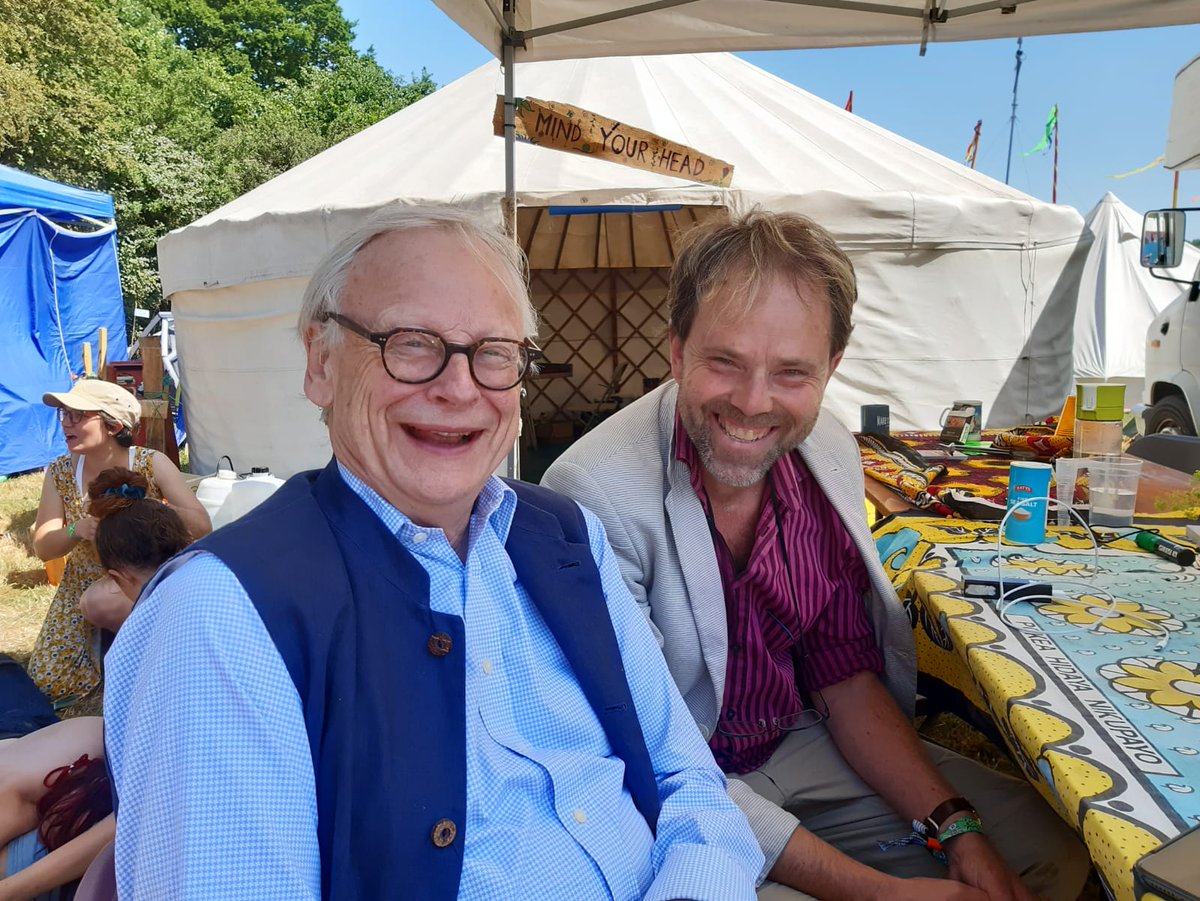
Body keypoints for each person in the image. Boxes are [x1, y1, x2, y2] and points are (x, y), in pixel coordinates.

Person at [103, 205, 764, 900]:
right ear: (321, 362)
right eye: (411, 342)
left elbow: (688, 780)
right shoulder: (221, 613)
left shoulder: (567, 535)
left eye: (494, 353)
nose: (459, 387)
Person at [543, 210, 1090, 901]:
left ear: (831, 368)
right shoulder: (591, 494)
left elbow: (845, 677)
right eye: (725, 362)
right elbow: (653, 757)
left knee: (1049, 858)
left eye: (792, 372)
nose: (752, 402)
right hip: (680, 793)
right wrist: (879, 892)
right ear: (676, 350)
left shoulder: (823, 451)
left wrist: (957, 828)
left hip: (799, 740)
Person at [1, 469, 193, 901]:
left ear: (117, 576)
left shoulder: (161, 655)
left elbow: (137, 814)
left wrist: (11, 890)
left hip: (121, 834)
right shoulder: (201, 604)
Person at [30, 380, 211, 704]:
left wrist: (146, 509)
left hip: (143, 574)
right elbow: (43, 547)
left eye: (77, 415)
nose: (66, 424)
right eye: (64, 415)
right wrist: (76, 531)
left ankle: (156, 659)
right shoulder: (59, 471)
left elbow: (202, 526)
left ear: (112, 424)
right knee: (50, 680)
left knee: (100, 602)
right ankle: (116, 658)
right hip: (83, 578)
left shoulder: (150, 462)